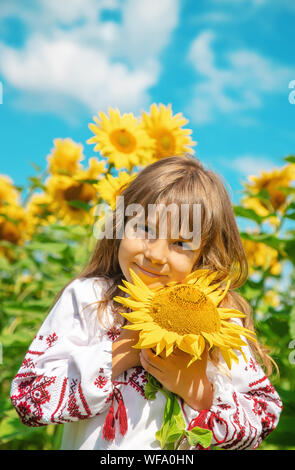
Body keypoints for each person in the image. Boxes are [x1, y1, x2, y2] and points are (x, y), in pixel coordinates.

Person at [10, 154, 282, 450]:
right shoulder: (90, 299)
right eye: (145, 229)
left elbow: (263, 417)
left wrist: (200, 392)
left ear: (203, 254)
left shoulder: (219, 318)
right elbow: (29, 400)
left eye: (180, 243)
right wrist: (123, 350)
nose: (155, 253)